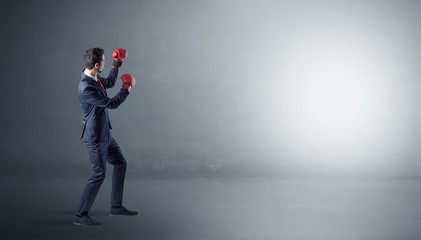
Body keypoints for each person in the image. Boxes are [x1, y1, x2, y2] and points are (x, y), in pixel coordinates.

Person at [74, 47, 137, 227]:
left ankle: (116, 206)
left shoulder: (93, 77)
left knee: (120, 163)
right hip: (94, 138)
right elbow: (112, 103)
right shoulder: (86, 88)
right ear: (96, 65)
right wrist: (127, 88)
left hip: (105, 134)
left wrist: (117, 64)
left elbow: (108, 82)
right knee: (98, 174)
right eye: (103, 61)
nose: (105, 63)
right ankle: (80, 214)